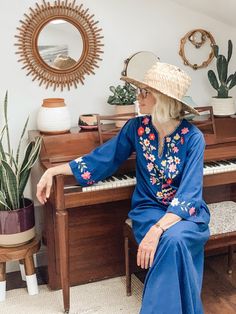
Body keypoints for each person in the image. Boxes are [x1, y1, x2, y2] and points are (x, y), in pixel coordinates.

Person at [36, 61, 210, 314]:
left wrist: (157, 230)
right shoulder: (136, 129)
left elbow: (190, 195)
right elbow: (103, 159)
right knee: (171, 244)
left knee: (173, 240)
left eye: (145, 92)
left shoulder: (194, 138)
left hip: (185, 214)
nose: (138, 96)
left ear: (162, 99)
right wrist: (54, 170)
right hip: (148, 209)